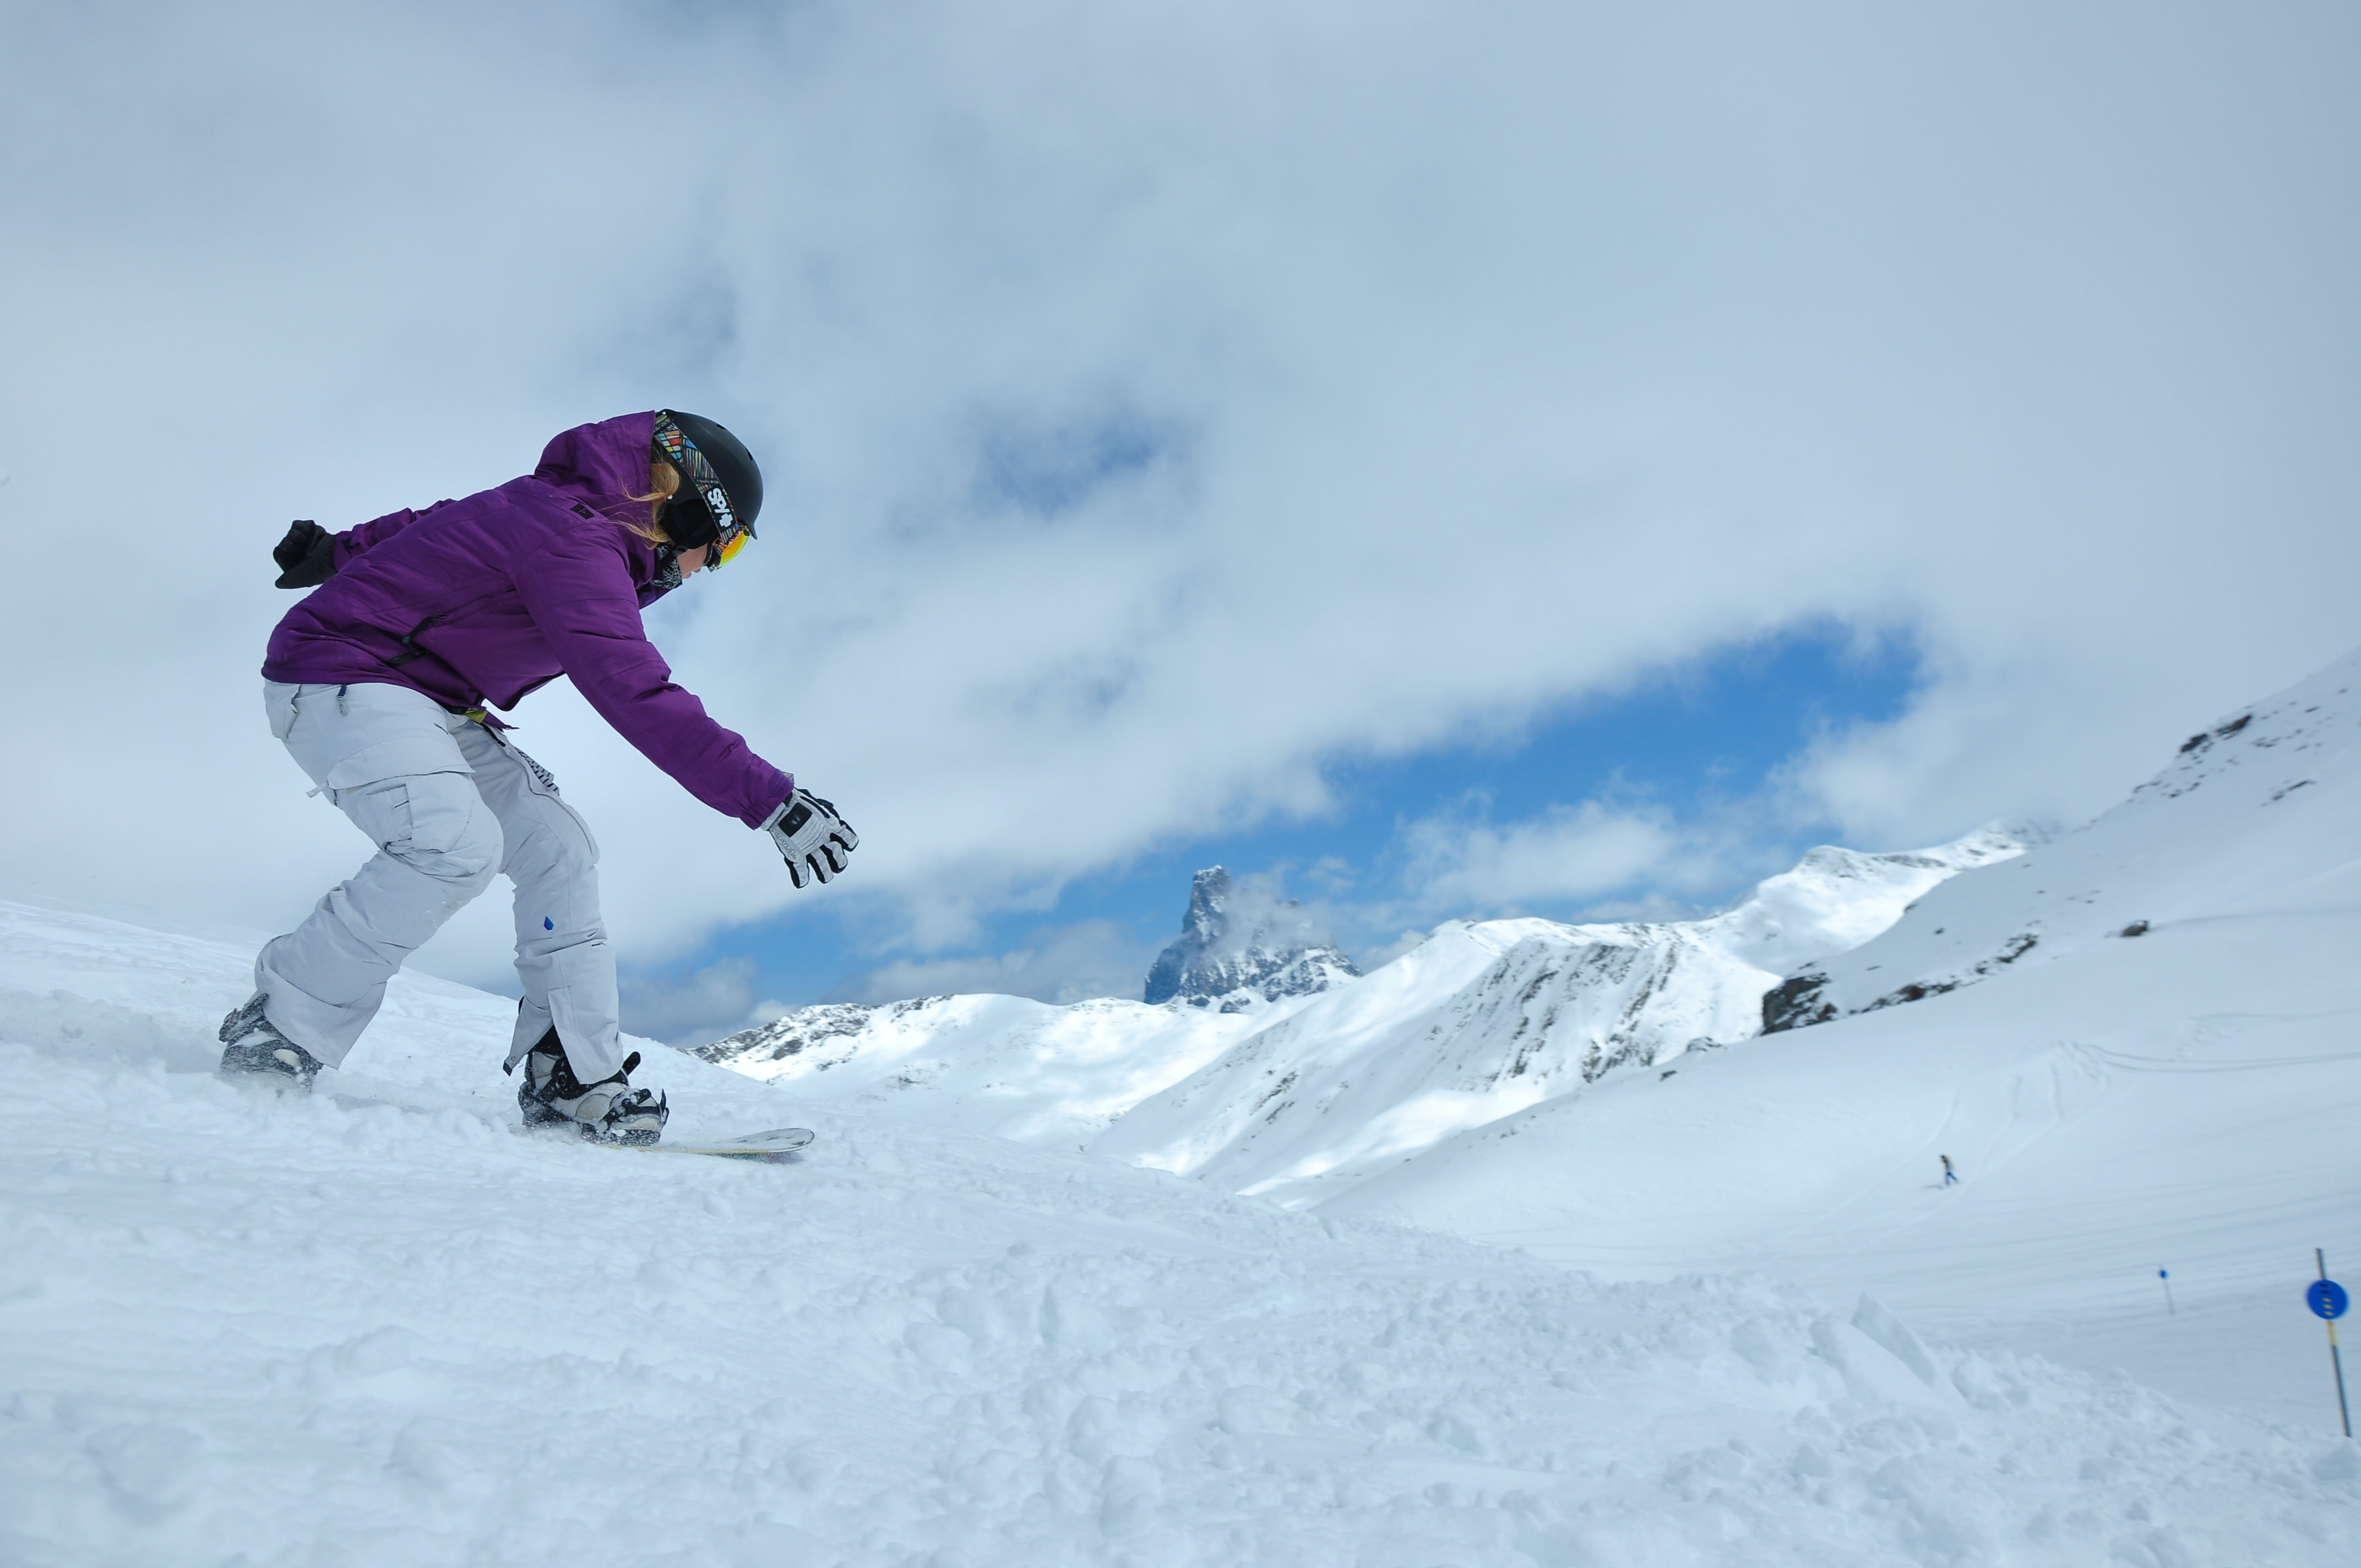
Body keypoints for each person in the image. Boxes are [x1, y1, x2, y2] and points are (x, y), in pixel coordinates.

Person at [216, 411, 859, 1145]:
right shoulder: (576, 542)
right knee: (451, 843)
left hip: (429, 697)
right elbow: (632, 689)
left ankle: (572, 1077)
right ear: (684, 510)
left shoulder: (557, 514)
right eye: (726, 547)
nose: (711, 568)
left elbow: (430, 524)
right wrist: (771, 798)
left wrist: (335, 551)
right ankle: (283, 1023)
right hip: (340, 671)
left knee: (559, 847)